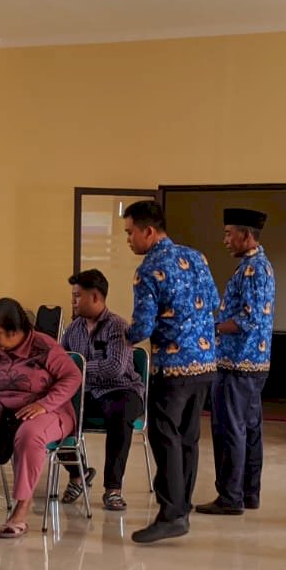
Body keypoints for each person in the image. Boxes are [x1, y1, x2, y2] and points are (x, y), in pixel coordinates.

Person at [123, 199, 220, 543]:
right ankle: (183, 504)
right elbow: (214, 304)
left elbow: (143, 327)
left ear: (148, 231)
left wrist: (124, 334)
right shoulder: (196, 257)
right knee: (188, 437)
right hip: (206, 364)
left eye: (130, 233)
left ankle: (172, 514)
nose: (129, 240)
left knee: (164, 437)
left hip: (173, 369)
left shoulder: (149, 269)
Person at [0, 299, 83, 539]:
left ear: (15, 331)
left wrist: (43, 404)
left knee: (30, 435)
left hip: (49, 408)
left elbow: (73, 377)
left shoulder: (43, 346)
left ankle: (22, 507)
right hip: (1, 407)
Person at [199, 208, 276, 516]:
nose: (225, 240)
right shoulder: (255, 266)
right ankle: (248, 493)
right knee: (250, 428)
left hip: (237, 362)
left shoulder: (255, 269)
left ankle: (230, 497)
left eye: (229, 233)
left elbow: (248, 318)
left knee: (230, 430)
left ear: (246, 235)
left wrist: (213, 327)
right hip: (251, 362)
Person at [59, 269, 145, 512]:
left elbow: (114, 368)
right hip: (88, 392)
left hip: (121, 389)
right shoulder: (73, 329)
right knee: (56, 414)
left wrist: (77, 368)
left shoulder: (117, 326)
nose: (73, 301)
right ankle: (78, 474)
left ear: (95, 297)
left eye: (77, 296)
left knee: (120, 412)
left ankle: (113, 489)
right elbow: (60, 362)